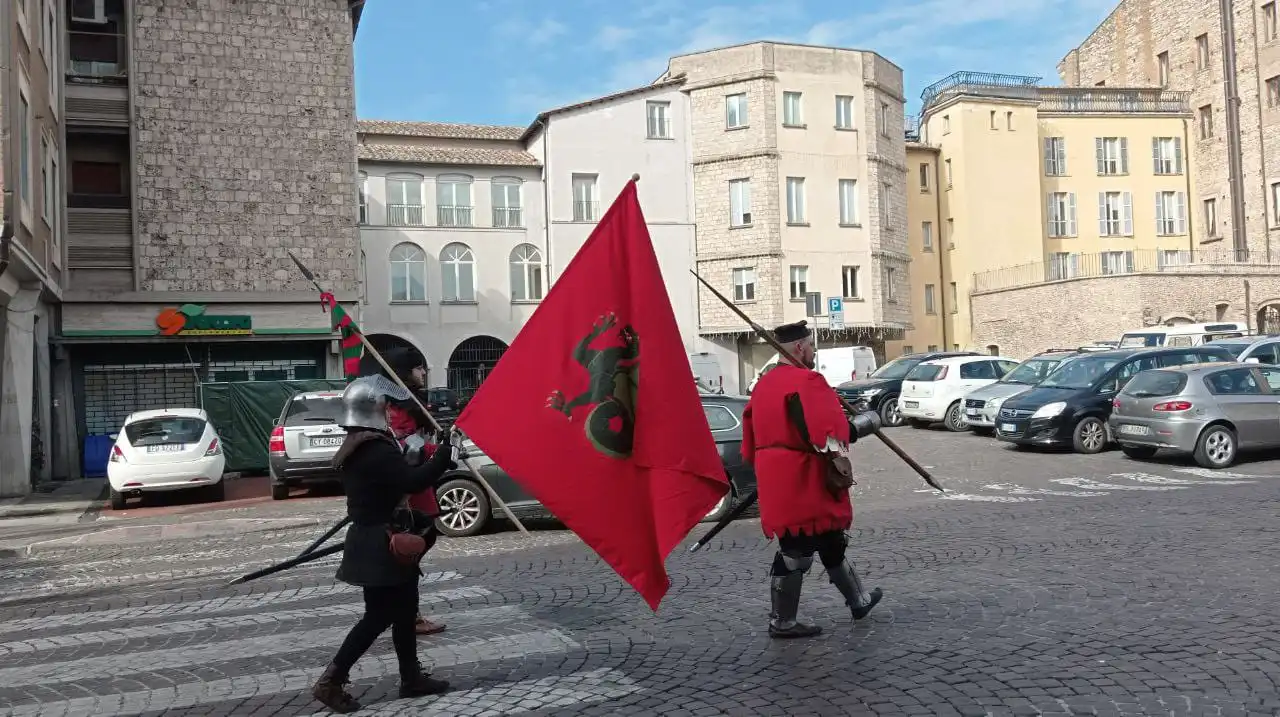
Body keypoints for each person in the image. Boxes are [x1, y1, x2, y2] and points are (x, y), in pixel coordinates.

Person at [311, 375, 460, 712]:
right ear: (374, 408)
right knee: (378, 617)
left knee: (405, 611)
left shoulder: (360, 442)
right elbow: (412, 480)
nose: (390, 412)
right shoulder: (373, 448)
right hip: (381, 543)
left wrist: (423, 457)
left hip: (377, 537)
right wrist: (445, 451)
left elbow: (393, 478)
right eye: (386, 406)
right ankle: (331, 681)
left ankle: (411, 677)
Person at [741, 320, 885, 639]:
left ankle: (858, 601)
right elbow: (831, 434)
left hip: (778, 474)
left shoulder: (763, 384)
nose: (814, 355)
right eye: (812, 348)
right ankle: (782, 621)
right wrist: (868, 422)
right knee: (796, 552)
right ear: (801, 347)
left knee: (831, 541)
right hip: (802, 478)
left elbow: (751, 433)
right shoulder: (807, 381)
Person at [358, 349, 448, 637]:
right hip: (407, 488)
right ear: (405, 371)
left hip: (418, 481)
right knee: (407, 552)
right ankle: (407, 614)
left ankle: (407, 612)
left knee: (416, 549)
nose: (423, 373)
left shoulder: (409, 402)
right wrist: (442, 453)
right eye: (419, 368)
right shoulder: (394, 408)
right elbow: (408, 448)